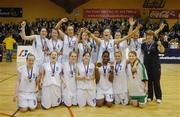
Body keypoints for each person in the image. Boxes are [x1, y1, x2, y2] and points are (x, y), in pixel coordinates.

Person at [141, 30, 165, 104]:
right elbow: (142, 53)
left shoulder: (156, 44)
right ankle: (150, 96)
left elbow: (162, 51)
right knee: (149, 82)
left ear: (153, 36)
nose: (149, 37)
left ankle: (158, 97)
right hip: (147, 65)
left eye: (151, 35)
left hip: (155, 66)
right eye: (148, 35)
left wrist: (160, 45)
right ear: (146, 36)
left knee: (156, 81)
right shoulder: (143, 44)